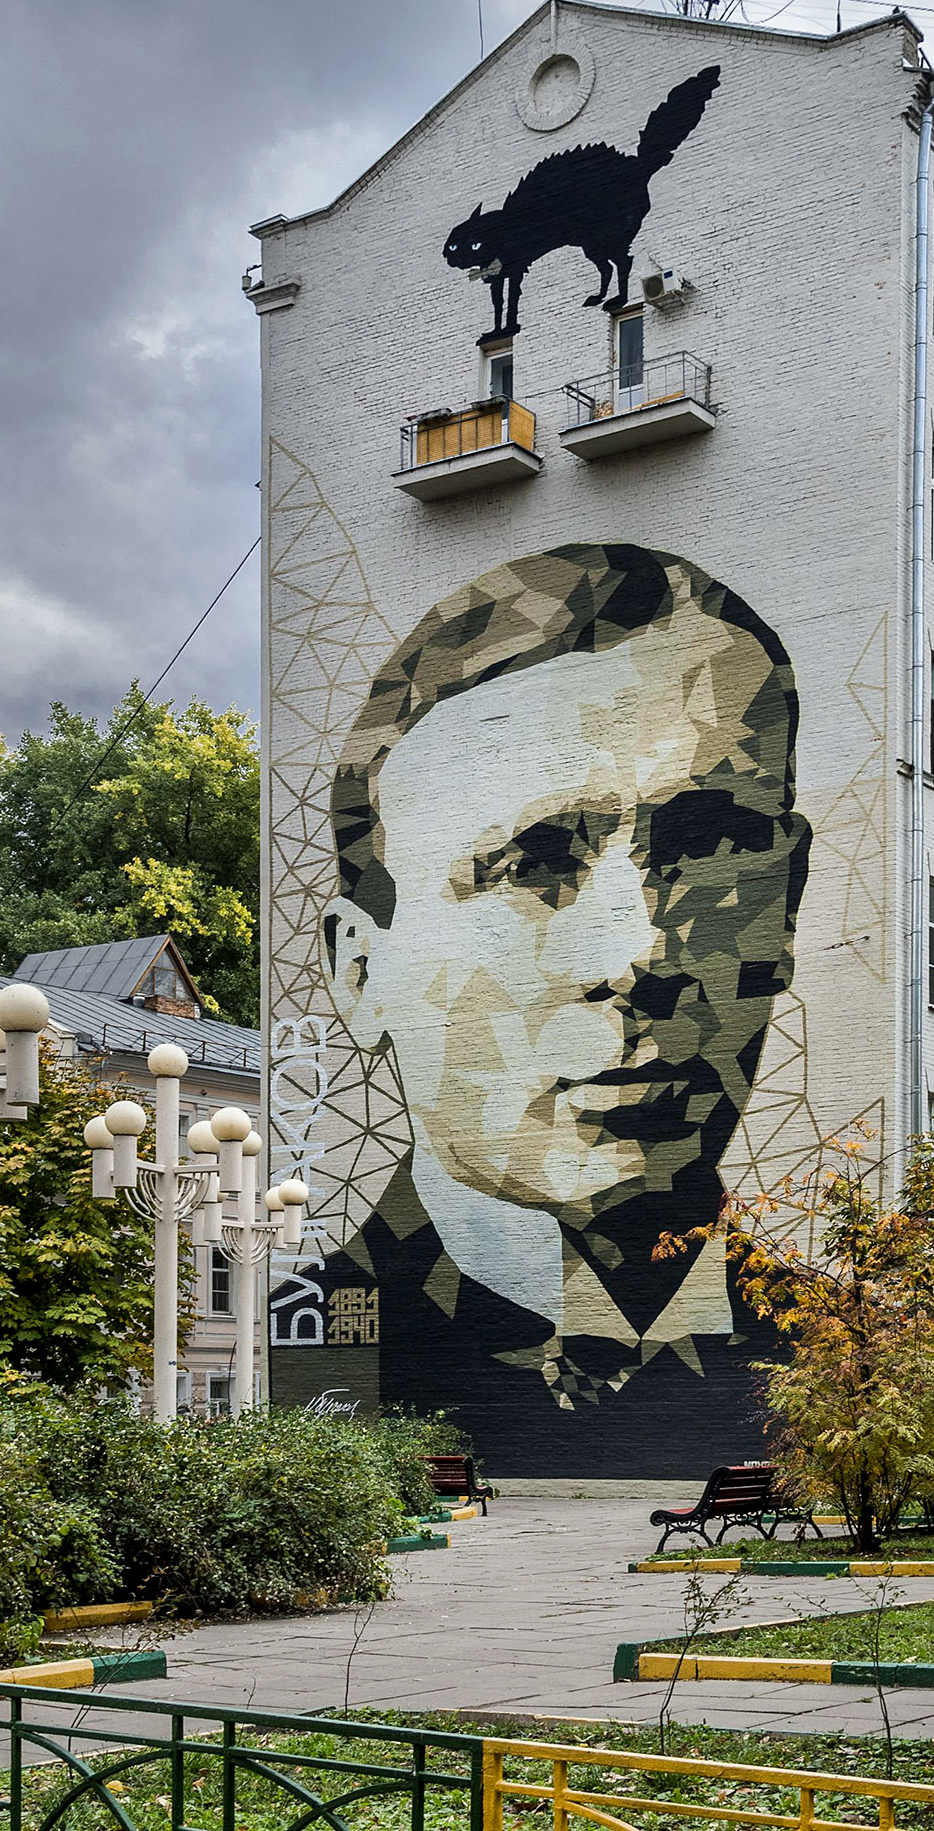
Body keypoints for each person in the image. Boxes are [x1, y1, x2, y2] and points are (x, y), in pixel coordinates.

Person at [313, 542, 810, 1473]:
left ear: (787, 903)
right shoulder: (314, 1341)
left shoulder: (850, 1353)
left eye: (708, 846)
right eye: (532, 863)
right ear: (362, 973)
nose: (638, 952)